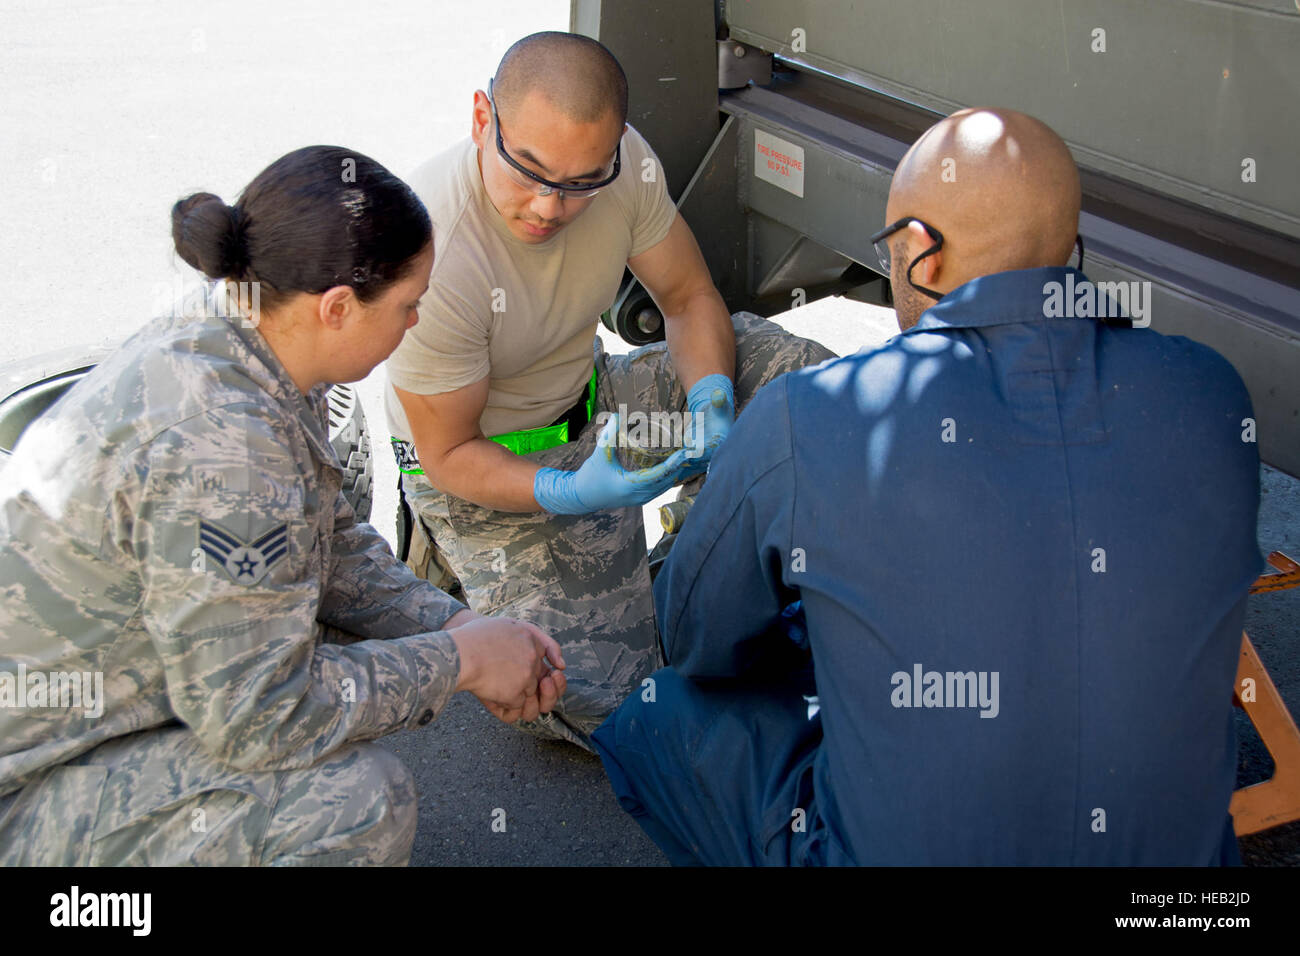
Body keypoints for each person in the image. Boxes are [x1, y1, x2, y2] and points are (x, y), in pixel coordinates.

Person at [591, 108, 1263, 865]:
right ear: (1069, 252)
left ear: (921, 253)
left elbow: (698, 641)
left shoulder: (813, 417)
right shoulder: (1211, 394)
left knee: (660, 711)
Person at [0, 145, 566, 866]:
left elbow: (327, 541)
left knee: (318, 642)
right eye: (407, 306)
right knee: (353, 806)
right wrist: (458, 662)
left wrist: (459, 624)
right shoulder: (226, 449)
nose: (417, 322)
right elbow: (260, 718)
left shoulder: (245, 327)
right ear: (337, 308)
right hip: (27, 798)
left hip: (89, 712)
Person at [386, 31, 836, 751]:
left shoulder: (624, 167)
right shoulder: (431, 245)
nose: (548, 204)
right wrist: (570, 494)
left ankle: (697, 559)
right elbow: (448, 451)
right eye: (528, 170)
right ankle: (452, 560)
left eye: (580, 182)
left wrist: (712, 402)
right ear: (481, 121)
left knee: (803, 382)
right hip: (491, 468)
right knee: (616, 707)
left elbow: (689, 298)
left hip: (600, 410)